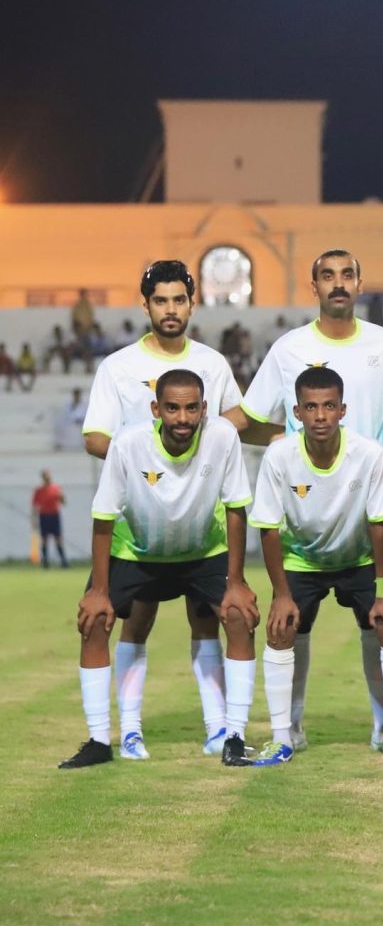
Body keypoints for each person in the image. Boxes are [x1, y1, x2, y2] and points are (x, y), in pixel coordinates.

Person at [226, 249, 383, 754]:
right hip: (303, 521)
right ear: (315, 287)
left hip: (361, 517)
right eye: (328, 276)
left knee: (380, 626)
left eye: (347, 274)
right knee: (291, 626)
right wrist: (206, 432)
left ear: (360, 283)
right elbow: (251, 415)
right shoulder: (289, 349)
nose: (338, 283)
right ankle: (290, 730)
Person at [82, 260, 244, 758]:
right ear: (146, 304)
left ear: (192, 304)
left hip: (199, 524)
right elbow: (95, 437)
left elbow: (233, 420)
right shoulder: (118, 367)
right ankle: (127, 731)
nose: (170, 309)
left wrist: (197, 462)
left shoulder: (212, 364)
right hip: (139, 524)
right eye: (161, 300)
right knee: (135, 621)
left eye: (179, 300)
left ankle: (219, 729)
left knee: (208, 619)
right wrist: (147, 467)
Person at [59, 370, 259, 769]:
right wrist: (99, 590)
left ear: (204, 409)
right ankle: (101, 740)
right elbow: (103, 516)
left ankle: (232, 736)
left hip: (203, 549)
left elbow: (237, 507)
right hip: (136, 550)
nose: (182, 418)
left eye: (191, 408)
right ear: (156, 409)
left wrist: (236, 581)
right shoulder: (128, 443)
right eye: (172, 408)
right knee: (94, 620)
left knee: (239, 615)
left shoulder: (222, 437)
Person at [248, 367, 383, 766]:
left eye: (328, 406)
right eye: (310, 407)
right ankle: (285, 735)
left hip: (359, 558)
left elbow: (379, 523)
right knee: (282, 630)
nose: (320, 416)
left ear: (343, 410)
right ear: (297, 412)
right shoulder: (279, 456)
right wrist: (281, 595)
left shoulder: (369, 454)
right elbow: (268, 528)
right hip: (301, 560)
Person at [32, 470, 68, 568]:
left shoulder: (56, 488)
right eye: (45, 476)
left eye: (48, 476)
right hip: (44, 516)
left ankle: (64, 562)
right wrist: (34, 520)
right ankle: (45, 562)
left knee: (58, 539)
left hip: (54, 516)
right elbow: (35, 506)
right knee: (44, 539)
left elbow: (64, 502)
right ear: (43, 478)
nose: (47, 478)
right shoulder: (39, 490)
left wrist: (62, 497)